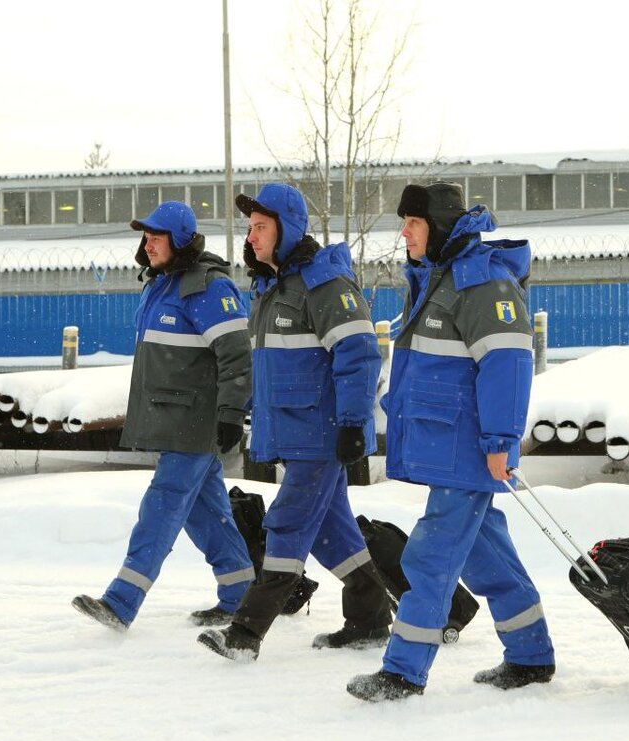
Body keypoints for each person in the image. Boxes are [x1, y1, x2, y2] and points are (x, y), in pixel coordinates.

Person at [347, 182, 555, 702]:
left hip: (469, 445)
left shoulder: (481, 282)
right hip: (449, 443)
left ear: (437, 226)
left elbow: (508, 365)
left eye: (412, 223)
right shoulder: (436, 278)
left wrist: (500, 440)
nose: (403, 234)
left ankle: (403, 672)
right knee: (487, 558)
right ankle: (531, 656)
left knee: (429, 557)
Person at [197, 183, 392, 660]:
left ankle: (245, 632)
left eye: (262, 226)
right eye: (251, 227)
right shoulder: (272, 286)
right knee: (331, 533)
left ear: (288, 230)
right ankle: (370, 620)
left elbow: (359, 353)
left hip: (323, 434)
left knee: (284, 525)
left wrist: (350, 423)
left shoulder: (323, 284)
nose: (253, 235)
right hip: (295, 430)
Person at [73, 201, 255, 631]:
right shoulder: (162, 285)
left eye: (157, 237)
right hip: (176, 419)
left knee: (161, 505)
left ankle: (122, 600)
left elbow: (237, 356)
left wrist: (232, 412)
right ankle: (241, 594)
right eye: (146, 237)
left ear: (180, 241)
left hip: (196, 423)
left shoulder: (208, 288)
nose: (148, 244)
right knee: (204, 512)